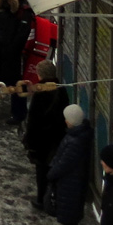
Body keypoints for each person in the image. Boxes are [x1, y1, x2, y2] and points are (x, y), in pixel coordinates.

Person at [47, 103, 93, 225]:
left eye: (67, 118)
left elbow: (65, 163)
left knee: (71, 218)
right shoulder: (76, 135)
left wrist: (51, 174)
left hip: (72, 183)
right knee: (67, 215)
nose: (65, 121)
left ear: (72, 121)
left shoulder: (76, 141)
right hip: (69, 182)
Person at [22, 59, 69, 209]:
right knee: (54, 168)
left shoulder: (40, 94)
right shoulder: (61, 89)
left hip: (42, 140)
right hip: (57, 137)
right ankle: (54, 197)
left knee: (41, 171)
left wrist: (28, 142)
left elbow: (33, 121)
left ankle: (42, 199)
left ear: (40, 74)